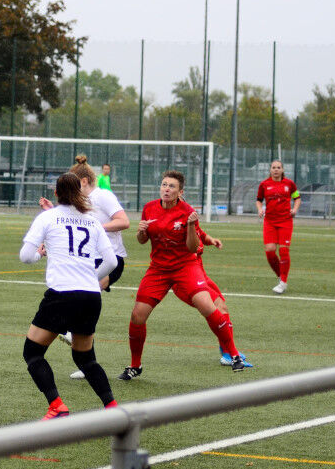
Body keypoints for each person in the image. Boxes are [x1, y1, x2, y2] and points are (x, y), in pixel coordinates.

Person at [120, 170, 246, 380]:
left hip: (185, 267)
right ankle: (135, 365)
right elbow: (142, 240)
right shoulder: (149, 208)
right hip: (158, 270)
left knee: (208, 306)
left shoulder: (187, 212)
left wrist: (190, 226)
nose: (166, 189)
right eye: (164, 185)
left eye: (171, 186)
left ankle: (233, 355)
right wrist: (141, 231)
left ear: (180, 192)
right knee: (137, 315)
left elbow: (191, 248)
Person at [20, 172, 118, 420]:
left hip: (62, 295)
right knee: (84, 357)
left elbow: (25, 256)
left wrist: (41, 254)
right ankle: (112, 408)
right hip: (90, 297)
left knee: (32, 352)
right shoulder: (92, 221)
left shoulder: (48, 217)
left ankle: (57, 406)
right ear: (81, 192)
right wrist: (90, 278)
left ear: (55, 193)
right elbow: (111, 261)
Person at [40, 155, 130, 379]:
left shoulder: (102, 196)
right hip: (91, 259)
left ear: (82, 181)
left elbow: (124, 221)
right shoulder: (80, 202)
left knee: (81, 301)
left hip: (111, 259)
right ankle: (84, 358)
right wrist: (52, 211)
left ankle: (78, 346)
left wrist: (97, 227)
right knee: (83, 304)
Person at [172, 226, 253, 368]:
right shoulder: (174, 230)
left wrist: (211, 240)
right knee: (215, 310)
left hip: (200, 275)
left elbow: (201, 234)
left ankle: (227, 350)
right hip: (186, 280)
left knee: (221, 307)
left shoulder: (191, 222)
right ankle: (228, 354)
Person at [256, 160, 301, 294]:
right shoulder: (264, 184)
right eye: (273, 167)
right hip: (269, 221)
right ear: (270, 170)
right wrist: (260, 209)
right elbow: (259, 200)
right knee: (270, 251)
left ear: (282, 170)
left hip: (285, 221)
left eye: (278, 167)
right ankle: (280, 275)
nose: (276, 170)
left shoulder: (289, 184)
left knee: (283, 251)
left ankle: (283, 283)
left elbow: (297, 198)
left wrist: (295, 209)